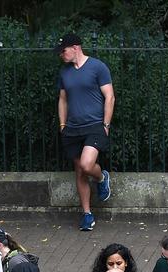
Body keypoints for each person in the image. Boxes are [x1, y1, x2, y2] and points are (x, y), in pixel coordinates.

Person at [56, 32, 114, 231]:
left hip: (95, 126)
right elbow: (62, 100)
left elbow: (110, 97)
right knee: (80, 171)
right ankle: (87, 214)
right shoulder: (64, 72)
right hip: (72, 128)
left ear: (75, 47)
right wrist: (62, 125)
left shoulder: (98, 67)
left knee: (87, 165)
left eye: (63, 51)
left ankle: (102, 177)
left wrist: (106, 124)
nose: (61, 55)